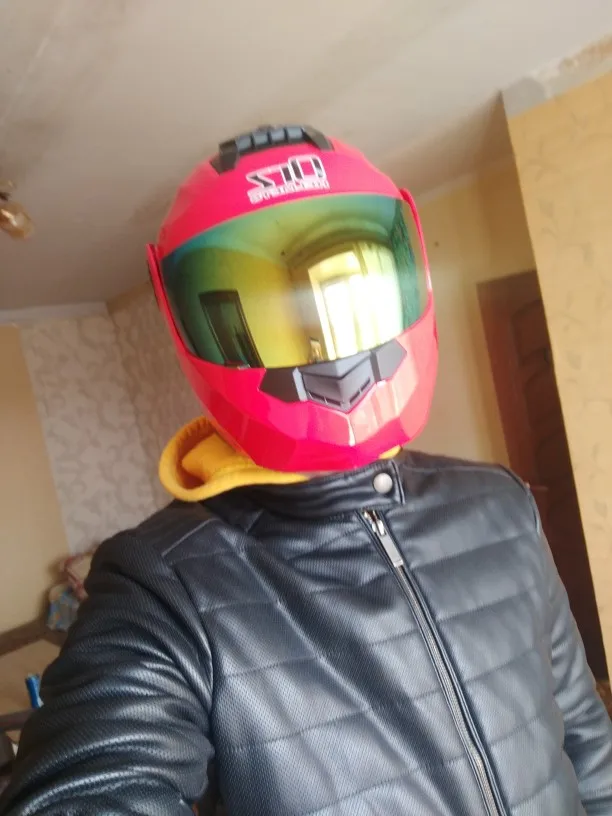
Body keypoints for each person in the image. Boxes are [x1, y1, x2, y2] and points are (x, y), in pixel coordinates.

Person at [1, 125, 611, 816]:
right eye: (274, 319)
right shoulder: (160, 588)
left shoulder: (501, 504)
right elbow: (84, 787)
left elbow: (587, 743)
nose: (328, 358)